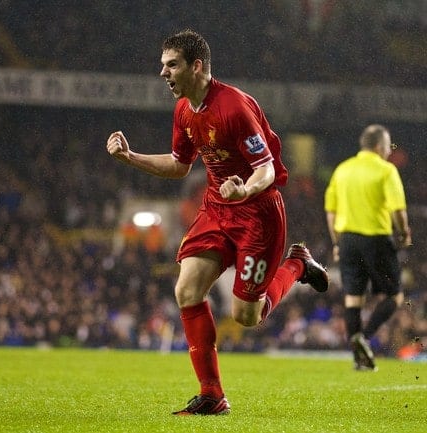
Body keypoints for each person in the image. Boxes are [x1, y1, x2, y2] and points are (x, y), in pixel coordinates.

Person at [106, 29, 328, 416]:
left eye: (171, 64)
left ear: (197, 66)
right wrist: (131, 158)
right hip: (217, 209)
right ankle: (212, 394)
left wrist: (245, 191)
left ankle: (296, 264)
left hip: (258, 216)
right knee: (187, 291)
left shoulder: (234, 108)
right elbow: (179, 165)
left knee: (247, 316)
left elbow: (267, 170)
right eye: (162, 65)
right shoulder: (184, 110)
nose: (163, 73)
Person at [324, 124, 412, 371]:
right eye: (387, 146)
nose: (388, 151)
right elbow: (398, 210)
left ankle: (358, 359)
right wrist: (404, 234)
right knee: (394, 296)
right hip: (376, 238)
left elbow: (331, 212)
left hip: (348, 241)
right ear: (378, 146)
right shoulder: (386, 170)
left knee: (354, 299)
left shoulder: (342, 170)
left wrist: (336, 242)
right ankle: (364, 336)